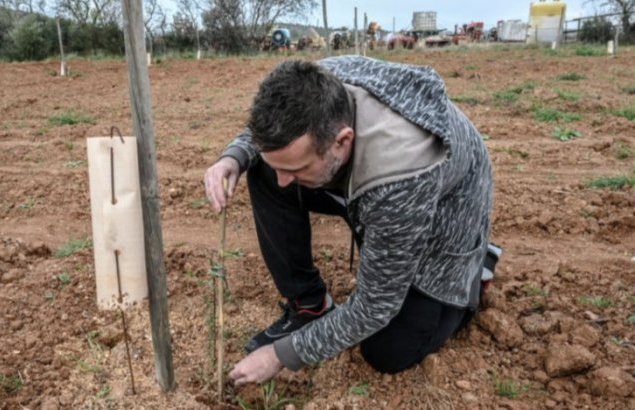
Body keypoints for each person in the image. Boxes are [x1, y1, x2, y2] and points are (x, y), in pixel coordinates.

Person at [203, 56, 499, 387]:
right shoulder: (319, 81)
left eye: (297, 168)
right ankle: (310, 306)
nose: (284, 180)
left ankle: (473, 270)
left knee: (387, 352)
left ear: (341, 141)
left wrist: (279, 355)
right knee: (263, 169)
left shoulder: (398, 177)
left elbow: (375, 306)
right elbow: (272, 131)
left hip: (443, 222)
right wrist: (235, 155)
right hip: (380, 198)